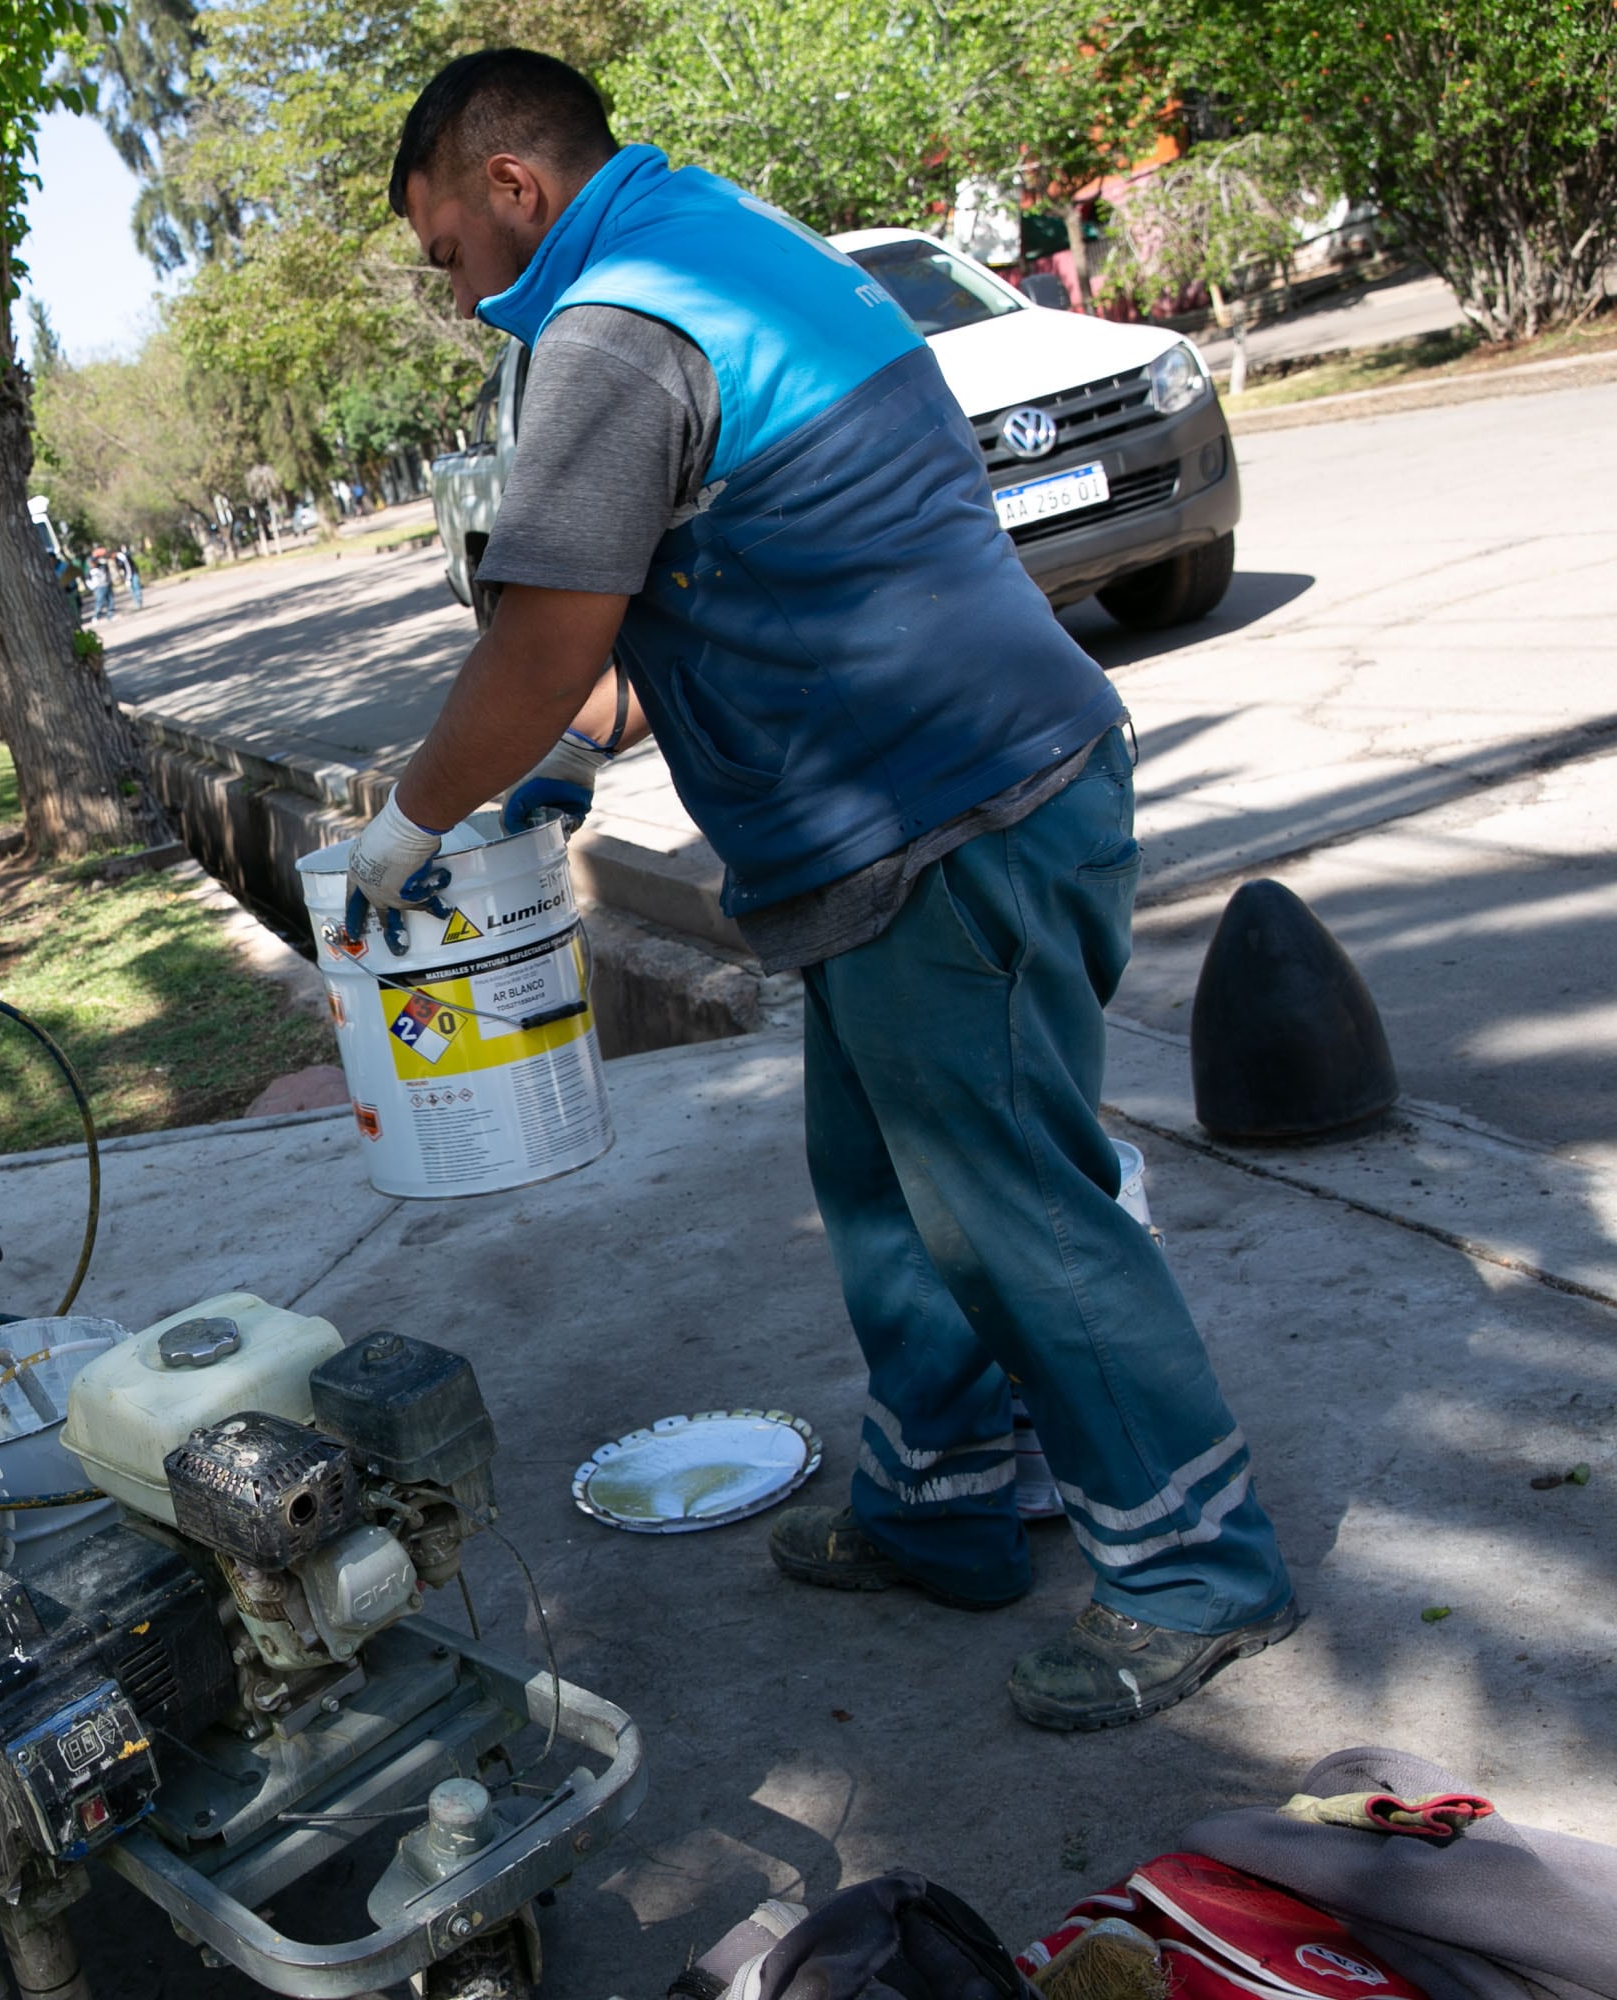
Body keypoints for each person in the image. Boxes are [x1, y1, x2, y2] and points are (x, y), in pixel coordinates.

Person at [351, 51, 1296, 1730]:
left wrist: (415, 816)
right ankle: (941, 1508)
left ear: (513, 186)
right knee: (882, 1186)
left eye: (444, 254)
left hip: (951, 823)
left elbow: (549, 630)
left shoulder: (611, 330)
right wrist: (566, 770)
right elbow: (716, 587)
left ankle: (1193, 1572)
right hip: (935, 815)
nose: (453, 295)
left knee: (1020, 1214)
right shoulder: (723, 241)